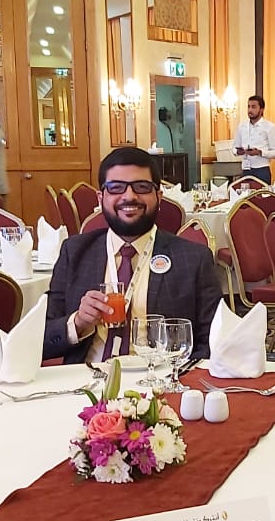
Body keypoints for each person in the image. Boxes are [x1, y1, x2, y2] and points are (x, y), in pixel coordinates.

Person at [43, 147, 223, 365]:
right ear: (101, 198)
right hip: (88, 376)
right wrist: (78, 322)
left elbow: (213, 342)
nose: (129, 196)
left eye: (142, 187)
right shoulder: (75, 252)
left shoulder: (192, 258)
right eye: (116, 188)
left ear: (158, 196)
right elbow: (41, 339)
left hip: (161, 378)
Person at [231, 95, 275, 185]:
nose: (250, 110)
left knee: (261, 194)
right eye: (248, 106)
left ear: (261, 110)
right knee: (244, 193)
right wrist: (238, 151)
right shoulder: (241, 126)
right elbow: (234, 148)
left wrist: (260, 152)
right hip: (246, 170)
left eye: (253, 107)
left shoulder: (270, 127)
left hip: (262, 170)